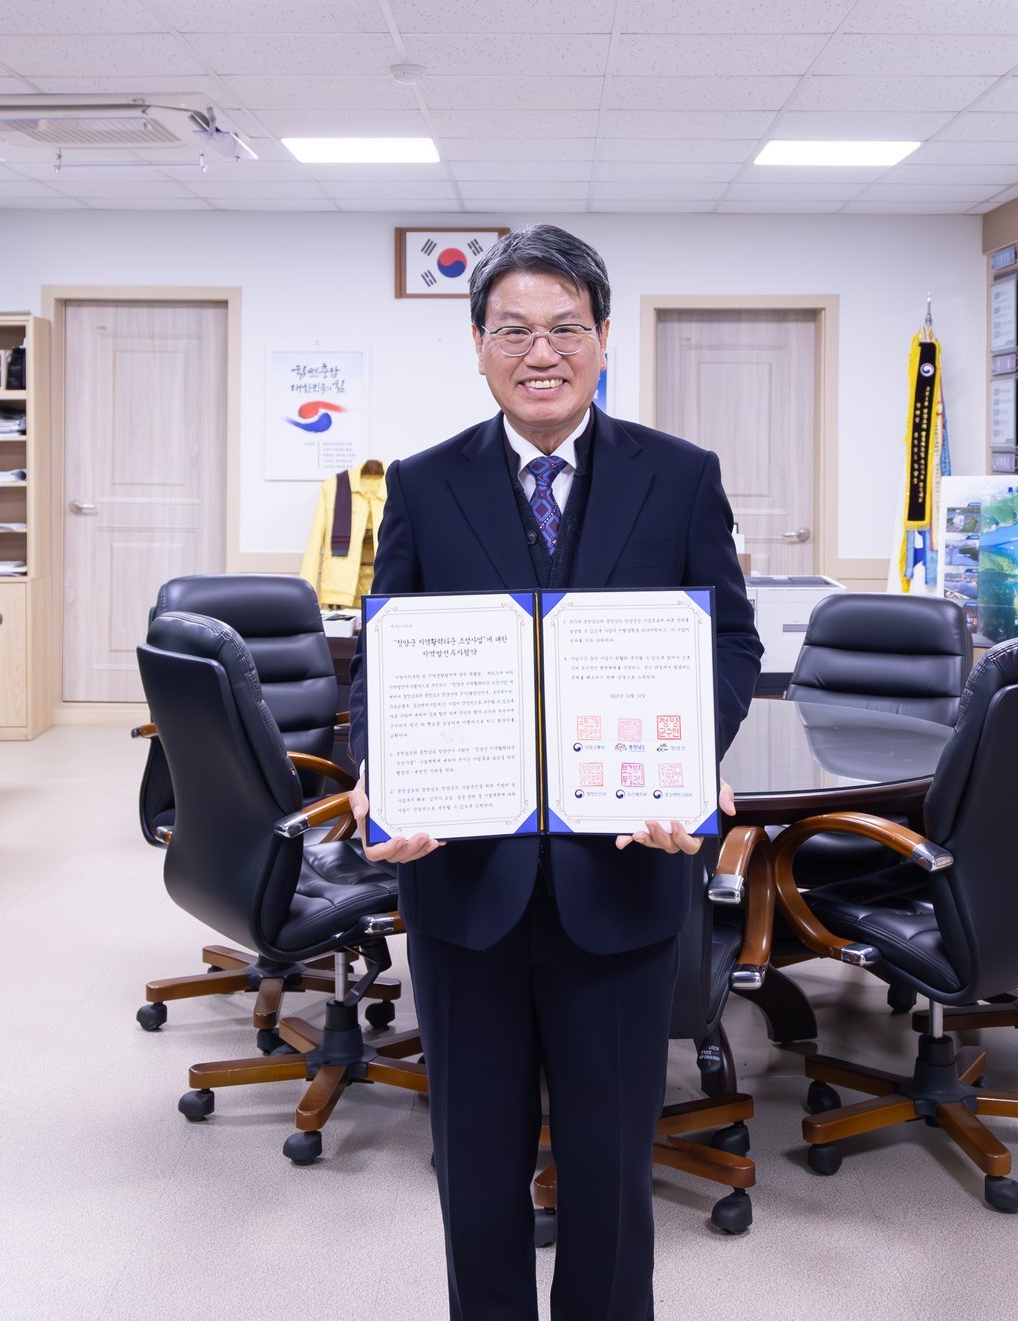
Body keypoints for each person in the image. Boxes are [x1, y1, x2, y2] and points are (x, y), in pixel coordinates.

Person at [347, 225, 763, 1320]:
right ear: (478, 345)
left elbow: (729, 642)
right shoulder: (424, 483)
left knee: (613, 1176)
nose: (542, 352)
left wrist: (694, 756)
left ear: (604, 338)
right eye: (515, 330)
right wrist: (378, 769)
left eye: (566, 328)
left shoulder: (680, 476)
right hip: (462, 885)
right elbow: (385, 655)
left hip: (620, 879)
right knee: (474, 1170)